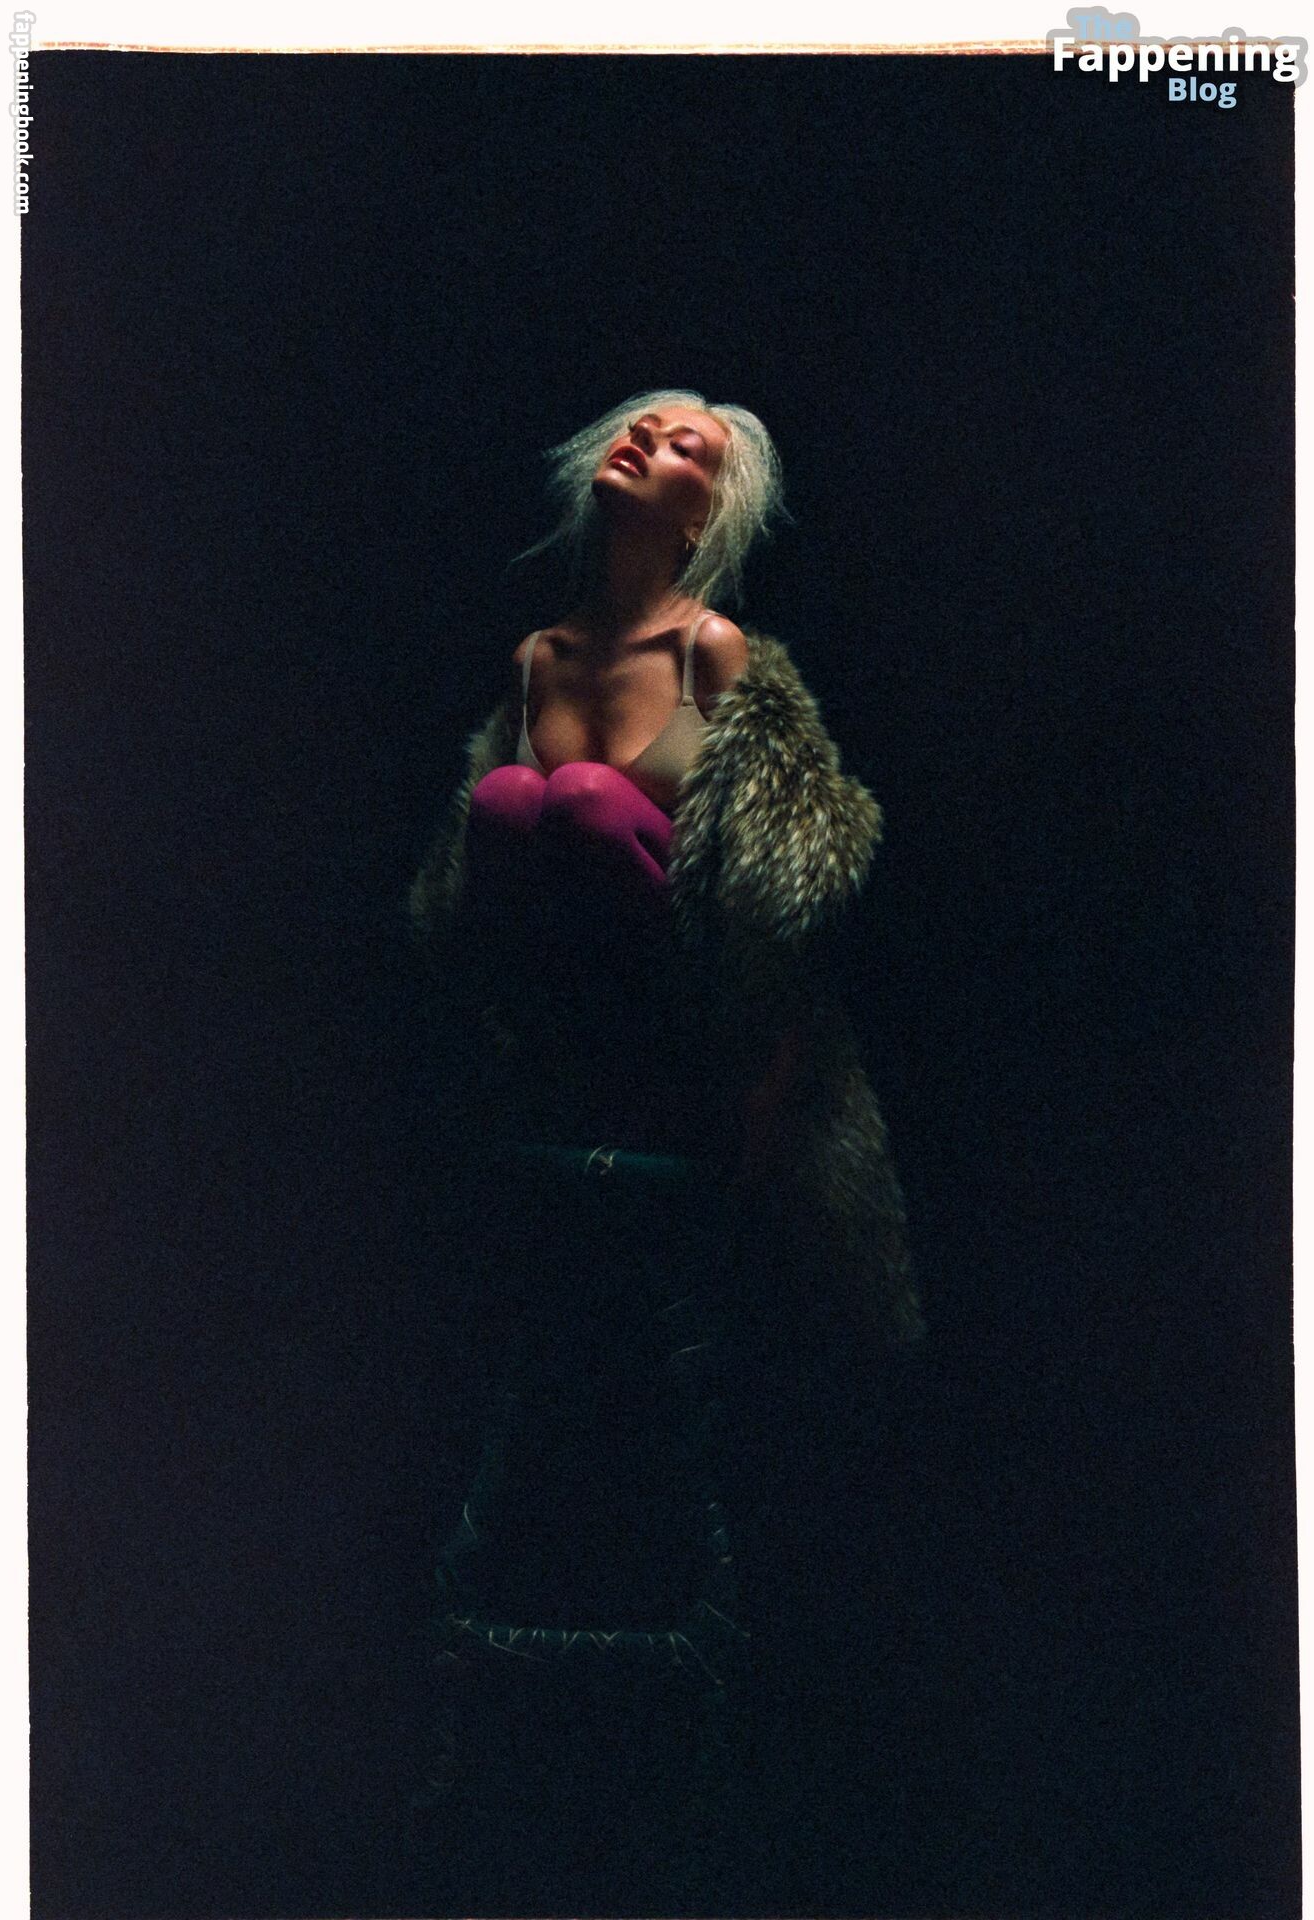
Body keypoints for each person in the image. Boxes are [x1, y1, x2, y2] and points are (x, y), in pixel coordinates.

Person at [405, 390, 924, 1906]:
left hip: (690, 1064)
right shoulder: (537, 661)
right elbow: (463, 911)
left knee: (572, 795)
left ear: (709, 512)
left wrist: (759, 1091)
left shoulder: (716, 654)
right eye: (642, 424)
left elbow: (785, 906)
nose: (652, 441)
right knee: (523, 794)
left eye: (691, 444)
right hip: (560, 1073)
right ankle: (489, 1767)